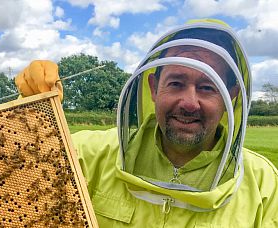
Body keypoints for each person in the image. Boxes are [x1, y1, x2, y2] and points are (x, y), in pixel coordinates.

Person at [15, 19, 278, 227]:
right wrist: (28, 117)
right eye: (176, 83)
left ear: (230, 96)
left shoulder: (265, 186)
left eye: (207, 87)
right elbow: (3, 186)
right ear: (153, 88)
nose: (189, 102)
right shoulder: (86, 155)